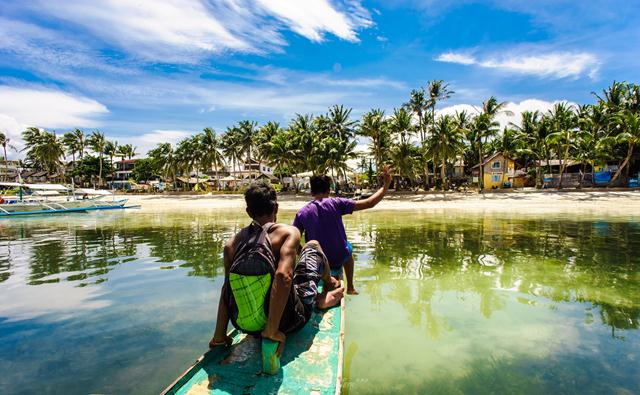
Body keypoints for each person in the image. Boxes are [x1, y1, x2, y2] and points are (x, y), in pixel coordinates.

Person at [209, 182, 344, 355]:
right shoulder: (288, 232)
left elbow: (227, 291)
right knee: (313, 245)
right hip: (289, 322)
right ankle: (328, 286)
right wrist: (272, 331)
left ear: (249, 212)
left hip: (248, 327)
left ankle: (222, 335)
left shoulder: (231, 245)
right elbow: (282, 276)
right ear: (276, 208)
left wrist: (219, 336)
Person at [293, 165, 392, 295]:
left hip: (317, 261)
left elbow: (294, 242)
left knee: (319, 248)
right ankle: (350, 287)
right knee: (348, 249)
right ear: (329, 190)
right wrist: (385, 186)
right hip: (338, 257)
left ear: (312, 192)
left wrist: (304, 255)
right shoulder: (336, 203)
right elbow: (369, 203)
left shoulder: (301, 213)